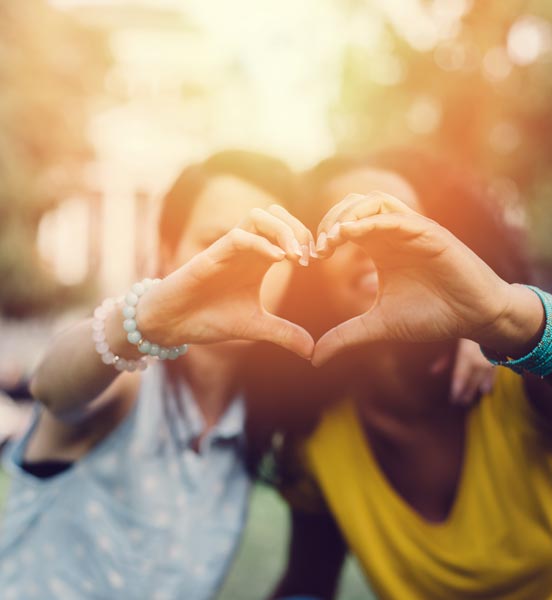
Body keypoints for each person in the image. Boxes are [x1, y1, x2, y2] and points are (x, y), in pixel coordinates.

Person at [272, 148, 552, 600]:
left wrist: (507, 319)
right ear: (312, 269)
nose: (373, 246)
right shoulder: (319, 440)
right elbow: (308, 584)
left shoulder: (522, 373)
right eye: (344, 230)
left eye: (394, 225)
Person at [0, 150, 316, 600]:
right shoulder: (129, 381)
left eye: (269, 245)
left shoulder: (257, 418)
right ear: (167, 254)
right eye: (215, 240)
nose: (241, 262)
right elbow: (52, 387)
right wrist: (142, 321)